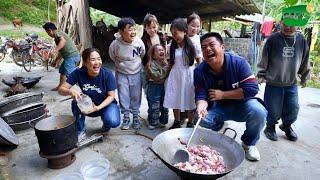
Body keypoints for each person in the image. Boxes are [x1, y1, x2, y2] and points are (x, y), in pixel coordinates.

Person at [194, 32, 267, 161]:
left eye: (211, 45)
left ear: (222, 47)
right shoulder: (199, 71)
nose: (207, 49)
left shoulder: (239, 63)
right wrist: (201, 106)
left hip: (243, 104)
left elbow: (252, 89)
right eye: (204, 47)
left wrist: (222, 94)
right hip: (219, 107)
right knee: (201, 118)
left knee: (259, 112)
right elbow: (201, 95)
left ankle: (248, 143)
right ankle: (219, 126)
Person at [257, 19, 310, 142]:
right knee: (272, 109)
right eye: (285, 24)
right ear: (281, 23)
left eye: (292, 24)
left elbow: (305, 59)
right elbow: (264, 58)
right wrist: (261, 74)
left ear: (297, 25)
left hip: (291, 83)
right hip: (274, 82)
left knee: (293, 108)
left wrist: (304, 76)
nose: (288, 27)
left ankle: (286, 126)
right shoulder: (273, 39)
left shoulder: (301, 40)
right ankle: (270, 127)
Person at [58, 48, 120, 140]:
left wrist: (98, 107)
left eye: (99, 59)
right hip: (88, 105)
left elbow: (111, 96)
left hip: (105, 105)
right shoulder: (78, 73)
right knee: (75, 102)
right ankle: (80, 129)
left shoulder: (107, 74)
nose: (97, 62)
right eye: (93, 59)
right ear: (85, 62)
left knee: (113, 121)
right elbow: (61, 89)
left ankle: (106, 122)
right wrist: (71, 91)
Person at [109, 17, 145, 130]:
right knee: (123, 95)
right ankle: (126, 116)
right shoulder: (115, 44)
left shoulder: (139, 42)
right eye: (129, 29)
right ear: (120, 32)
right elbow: (112, 56)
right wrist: (121, 65)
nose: (133, 32)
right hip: (121, 73)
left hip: (136, 72)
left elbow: (142, 54)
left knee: (136, 94)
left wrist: (135, 65)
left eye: (134, 29)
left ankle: (135, 115)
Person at [163, 18, 196, 129]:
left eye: (176, 33)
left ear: (185, 31)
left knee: (189, 98)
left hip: (188, 76)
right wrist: (164, 75)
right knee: (175, 97)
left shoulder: (191, 46)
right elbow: (170, 63)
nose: (174, 36)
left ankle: (190, 122)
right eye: (172, 34)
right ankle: (177, 121)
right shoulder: (172, 46)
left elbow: (195, 62)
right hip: (175, 76)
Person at [42, 22, 80, 91]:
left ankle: (82, 89)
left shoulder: (58, 33)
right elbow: (62, 51)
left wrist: (55, 50)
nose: (48, 34)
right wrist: (56, 60)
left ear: (50, 30)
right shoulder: (57, 37)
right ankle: (60, 86)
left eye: (47, 33)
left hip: (72, 56)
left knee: (71, 75)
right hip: (69, 57)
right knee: (63, 71)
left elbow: (63, 41)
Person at [145, 44, 170, 129]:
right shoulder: (150, 65)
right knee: (154, 105)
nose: (161, 51)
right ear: (153, 55)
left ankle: (163, 121)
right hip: (154, 87)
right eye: (158, 50)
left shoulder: (165, 63)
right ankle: (153, 122)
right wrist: (166, 69)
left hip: (164, 86)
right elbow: (157, 76)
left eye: (162, 50)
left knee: (165, 104)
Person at [141, 14, 167, 94]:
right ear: (145, 28)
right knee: (151, 91)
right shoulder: (143, 41)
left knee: (163, 90)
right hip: (150, 69)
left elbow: (165, 52)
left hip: (162, 67)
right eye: (149, 28)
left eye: (154, 27)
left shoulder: (162, 37)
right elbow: (143, 57)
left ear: (157, 26)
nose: (152, 30)